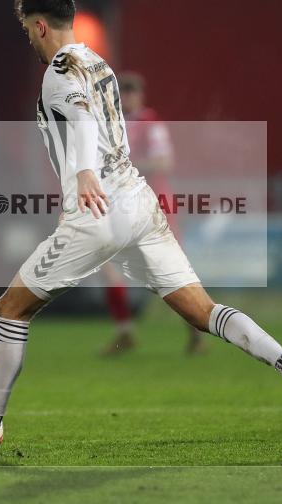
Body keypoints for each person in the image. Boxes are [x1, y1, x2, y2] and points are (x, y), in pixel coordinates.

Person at [0, 0, 282, 456]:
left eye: (27, 30)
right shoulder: (102, 66)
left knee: (11, 309)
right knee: (203, 312)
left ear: (39, 25)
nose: (29, 40)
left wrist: (82, 173)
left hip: (100, 209)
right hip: (139, 203)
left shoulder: (58, 71)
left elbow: (80, 121)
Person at [100, 71, 205, 355]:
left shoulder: (150, 123)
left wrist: (128, 165)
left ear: (141, 95)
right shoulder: (112, 126)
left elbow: (164, 162)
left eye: (133, 91)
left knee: (168, 272)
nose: (129, 96)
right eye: (125, 91)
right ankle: (125, 331)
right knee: (106, 261)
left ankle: (196, 330)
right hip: (122, 204)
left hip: (153, 203)